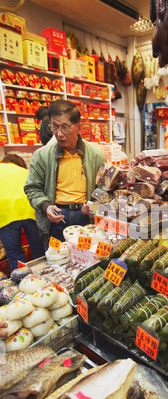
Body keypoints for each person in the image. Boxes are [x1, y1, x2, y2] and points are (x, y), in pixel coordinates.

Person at [24, 99, 107, 246]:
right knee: (57, 261)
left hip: (85, 217)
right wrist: (45, 206)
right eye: (54, 126)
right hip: (56, 218)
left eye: (65, 127)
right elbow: (32, 188)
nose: (59, 133)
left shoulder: (96, 155)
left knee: (87, 260)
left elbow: (103, 187)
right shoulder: (42, 155)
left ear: (79, 127)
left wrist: (93, 204)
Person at [0, 154, 45, 271]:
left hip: (5, 213)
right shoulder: (25, 172)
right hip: (29, 210)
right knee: (38, 250)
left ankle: (22, 280)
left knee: (15, 254)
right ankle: (43, 277)